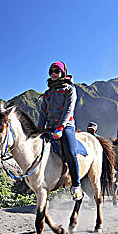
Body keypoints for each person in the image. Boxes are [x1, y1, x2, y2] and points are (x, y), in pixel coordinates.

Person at [38, 61, 83, 201]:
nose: (53, 74)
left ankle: (76, 185)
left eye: (56, 71)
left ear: (62, 73)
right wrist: (39, 130)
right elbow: (43, 113)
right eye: (51, 71)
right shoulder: (47, 93)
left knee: (69, 151)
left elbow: (68, 110)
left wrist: (60, 128)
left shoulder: (69, 89)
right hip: (49, 127)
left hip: (66, 126)